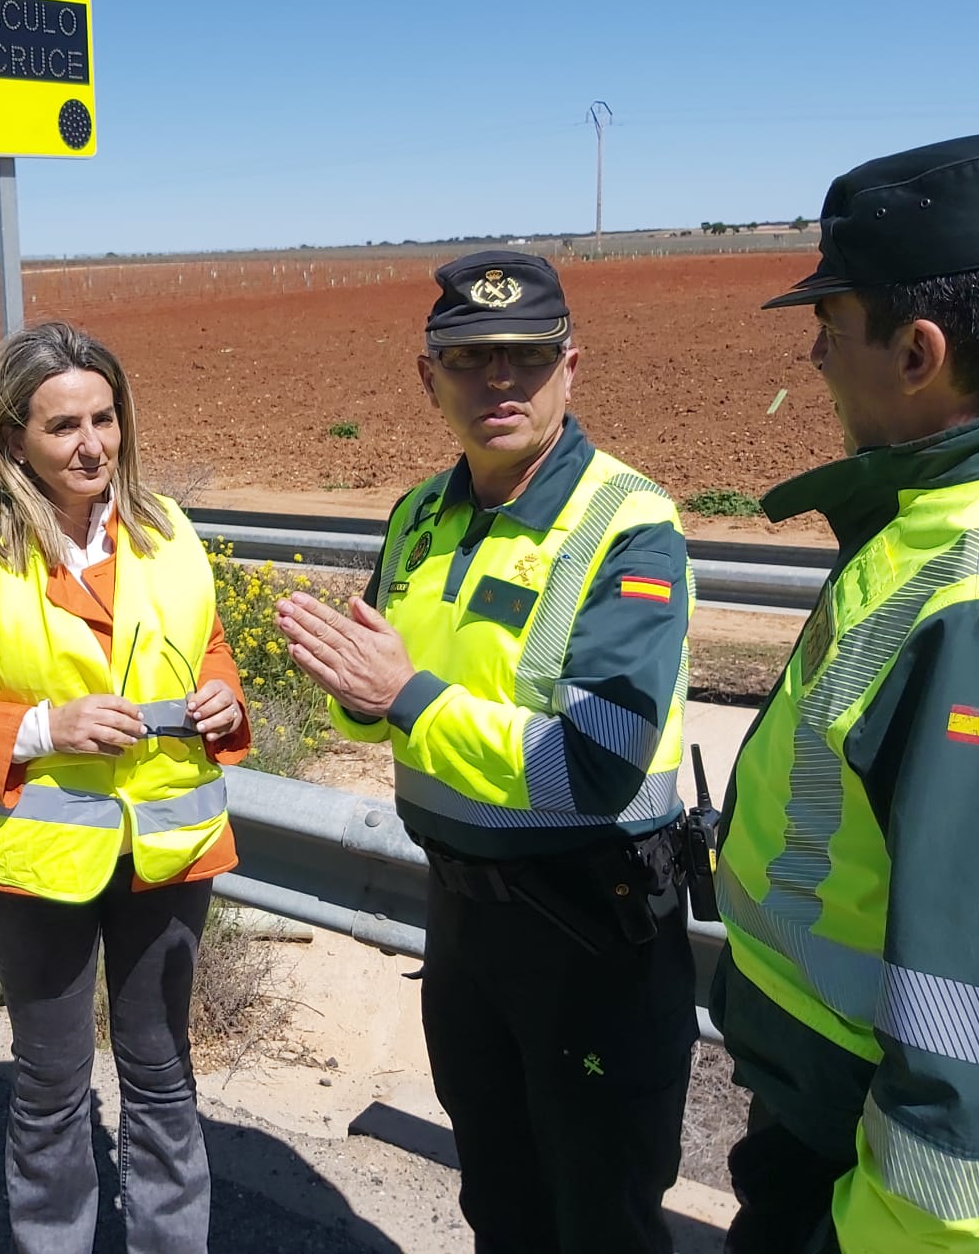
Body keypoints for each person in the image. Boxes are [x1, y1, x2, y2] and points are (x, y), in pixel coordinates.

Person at [712, 134, 979, 1252]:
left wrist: (869, 1234)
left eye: (832, 327)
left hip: (922, 1205)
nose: (818, 354)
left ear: (919, 351)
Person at [275, 251, 698, 1253]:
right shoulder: (421, 514)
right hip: (463, 926)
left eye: (524, 357)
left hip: (594, 933)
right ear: (429, 378)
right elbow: (375, 713)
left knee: (601, 1217)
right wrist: (361, 693)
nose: (498, 381)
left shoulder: (628, 525)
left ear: (571, 368)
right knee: (499, 1200)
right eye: (469, 360)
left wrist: (406, 695)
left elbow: (597, 767)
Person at [0, 320, 251, 1254]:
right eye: (63, 427)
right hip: (34, 862)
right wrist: (46, 728)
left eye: (104, 418)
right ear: (15, 436)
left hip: (168, 851)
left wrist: (224, 699)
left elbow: (204, 649)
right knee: (54, 1085)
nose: (91, 444)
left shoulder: (169, 531)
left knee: (163, 1072)